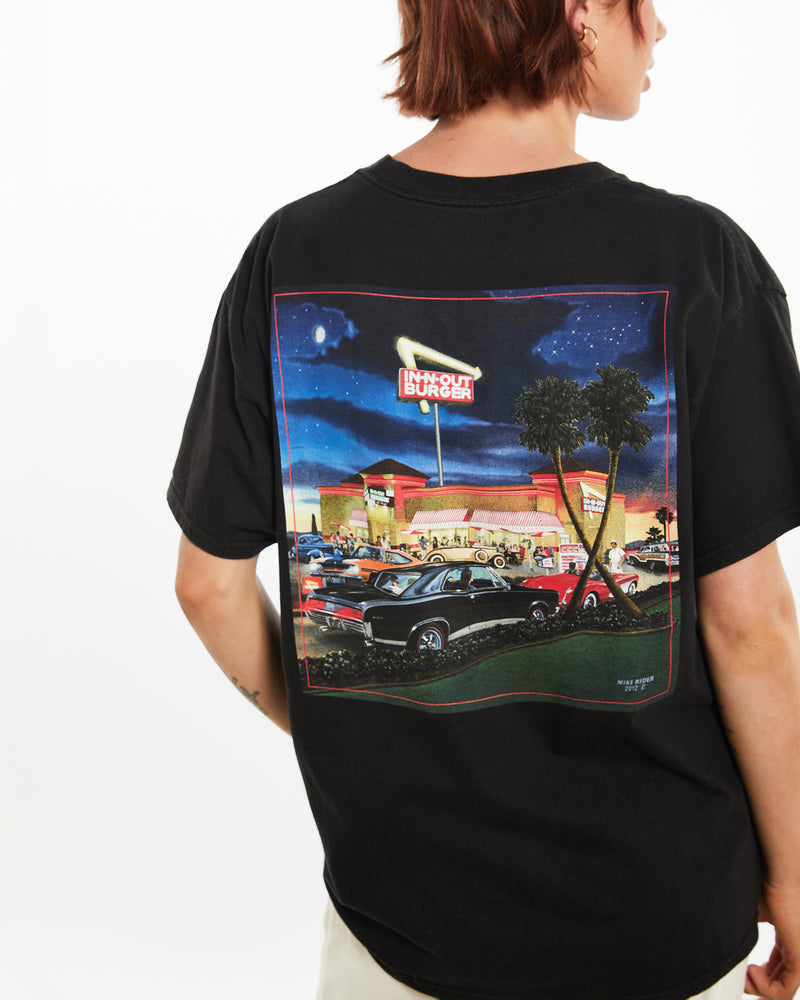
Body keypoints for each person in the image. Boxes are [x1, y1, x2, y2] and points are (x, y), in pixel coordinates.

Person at [168, 2, 800, 999]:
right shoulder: (698, 257)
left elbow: (206, 585)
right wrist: (795, 875)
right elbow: (750, 624)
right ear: (581, 11)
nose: (662, 28)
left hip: (396, 933)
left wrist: (337, 724)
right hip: (662, 921)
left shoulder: (293, 251)